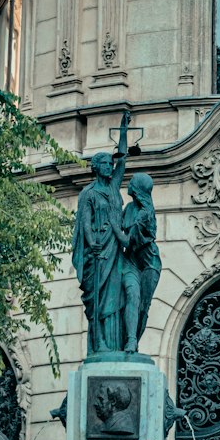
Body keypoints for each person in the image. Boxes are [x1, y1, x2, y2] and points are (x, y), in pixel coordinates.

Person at [71, 113, 129, 353]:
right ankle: (99, 342)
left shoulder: (114, 185)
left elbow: (123, 160)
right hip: (98, 250)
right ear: (96, 167)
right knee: (96, 298)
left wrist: (124, 132)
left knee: (114, 296)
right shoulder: (89, 193)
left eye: (110, 164)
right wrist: (92, 243)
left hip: (115, 248)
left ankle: (113, 341)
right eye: (106, 163)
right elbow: (84, 221)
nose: (111, 166)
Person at [120, 172, 161, 354]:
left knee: (143, 308)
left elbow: (127, 240)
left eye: (132, 182)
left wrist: (113, 227)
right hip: (131, 261)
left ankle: (135, 340)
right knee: (132, 297)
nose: (128, 184)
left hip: (149, 264)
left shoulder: (145, 214)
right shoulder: (128, 208)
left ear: (137, 188)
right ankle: (129, 340)